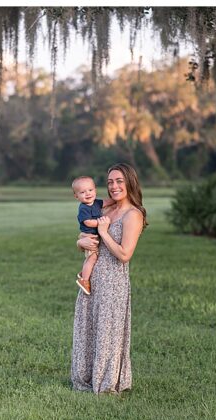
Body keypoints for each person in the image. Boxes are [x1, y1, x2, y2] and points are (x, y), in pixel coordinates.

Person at [71, 163, 147, 394]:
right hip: (91, 278)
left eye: (119, 181)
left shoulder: (133, 214)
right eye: (110, 181)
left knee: (107, 332)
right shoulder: (103, 209)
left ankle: (106, 381)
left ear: (130, 182)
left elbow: (124, 254)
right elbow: (87, 237)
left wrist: (104, 232)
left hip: (113, 281)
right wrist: (79, 242)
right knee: (87, 328)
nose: (113, 186)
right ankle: (85, 377)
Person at [72, 176, 113, 295]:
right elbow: (87, 222)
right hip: (89, 237)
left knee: (90, 258)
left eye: (90, 190)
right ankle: (84, 280)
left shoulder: (96, 203)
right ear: (76, 196)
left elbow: (107, 202)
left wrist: (115, 200)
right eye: (83, 192)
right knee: (92, 257)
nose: (88, 194)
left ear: (95, 190)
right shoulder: (84, 208)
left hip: (92, 236)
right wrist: (101, 223)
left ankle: (83, 272)